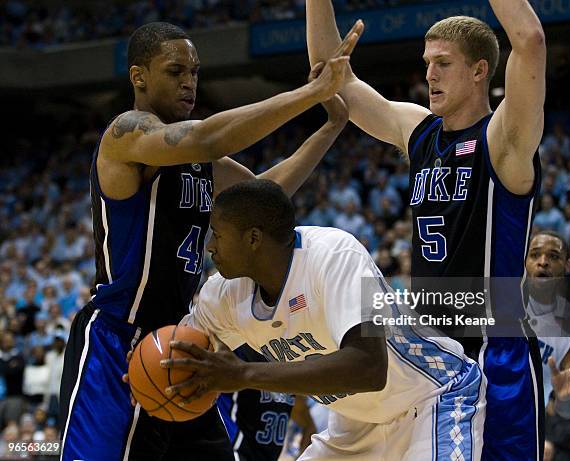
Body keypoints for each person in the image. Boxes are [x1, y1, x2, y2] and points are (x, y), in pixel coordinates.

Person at [59, 21, 361, 461]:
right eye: (175, 71)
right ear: (139, 76)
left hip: (183, 343)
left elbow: (265, 195)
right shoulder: (126, 135)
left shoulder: (202, 162)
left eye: (195, 72)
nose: (189, 82)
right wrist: (309, 94)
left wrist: (330, 127)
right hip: (118, 339)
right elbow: (208, 135)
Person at [306, 1, 546, 459]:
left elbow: (530, 41)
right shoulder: (419, 132)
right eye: (427, 64)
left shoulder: (504, 139)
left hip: (494, 352)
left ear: (479, 71)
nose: (430, 75)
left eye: (443, 63)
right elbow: (332, 77)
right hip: (429, 355)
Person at [163, 179, 485, 460]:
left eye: (217, 235)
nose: (209, 246)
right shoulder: (223, 294)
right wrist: (138, 375)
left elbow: (369, 368)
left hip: (433, 397)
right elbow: (179, 355)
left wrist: (245, 373)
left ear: (253, 239)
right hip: (355, 424)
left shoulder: (335, 255)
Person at [525, 231, 570, 411]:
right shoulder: (496, 299)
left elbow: (567, 411)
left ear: (567, 265)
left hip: (526, 428)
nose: (543, 262)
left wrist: (565, 400)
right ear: (525, 261)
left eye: (553, 256)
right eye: (535, 255)